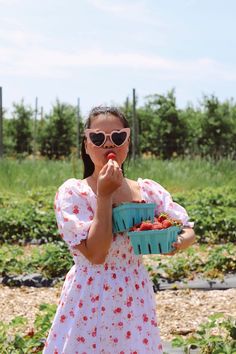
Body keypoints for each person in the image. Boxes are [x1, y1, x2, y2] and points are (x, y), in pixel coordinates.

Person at [43, 106, 195, 354]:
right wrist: (104, 196)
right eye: (97, 137)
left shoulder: (146, 190)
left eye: (117, 137)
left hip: (134, 292)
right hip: (90, 294)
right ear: (86, 145)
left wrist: (175, 242)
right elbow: (96, 254)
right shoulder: (73, 193)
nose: (108, 144)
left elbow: (187, 229)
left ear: (127, 142)